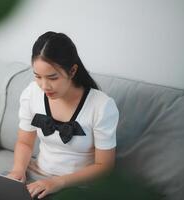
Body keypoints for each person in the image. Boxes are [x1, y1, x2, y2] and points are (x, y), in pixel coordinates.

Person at [7, 31, 119, 199]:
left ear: (72, 70)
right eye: (37, 76)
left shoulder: (101, 106)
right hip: (37, 177)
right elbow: (24, 142)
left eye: (52, 77)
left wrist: (57, 183)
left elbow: (104, 165)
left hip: (76, 188)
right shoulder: (31, 93)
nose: (44, 86)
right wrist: (18, 170)